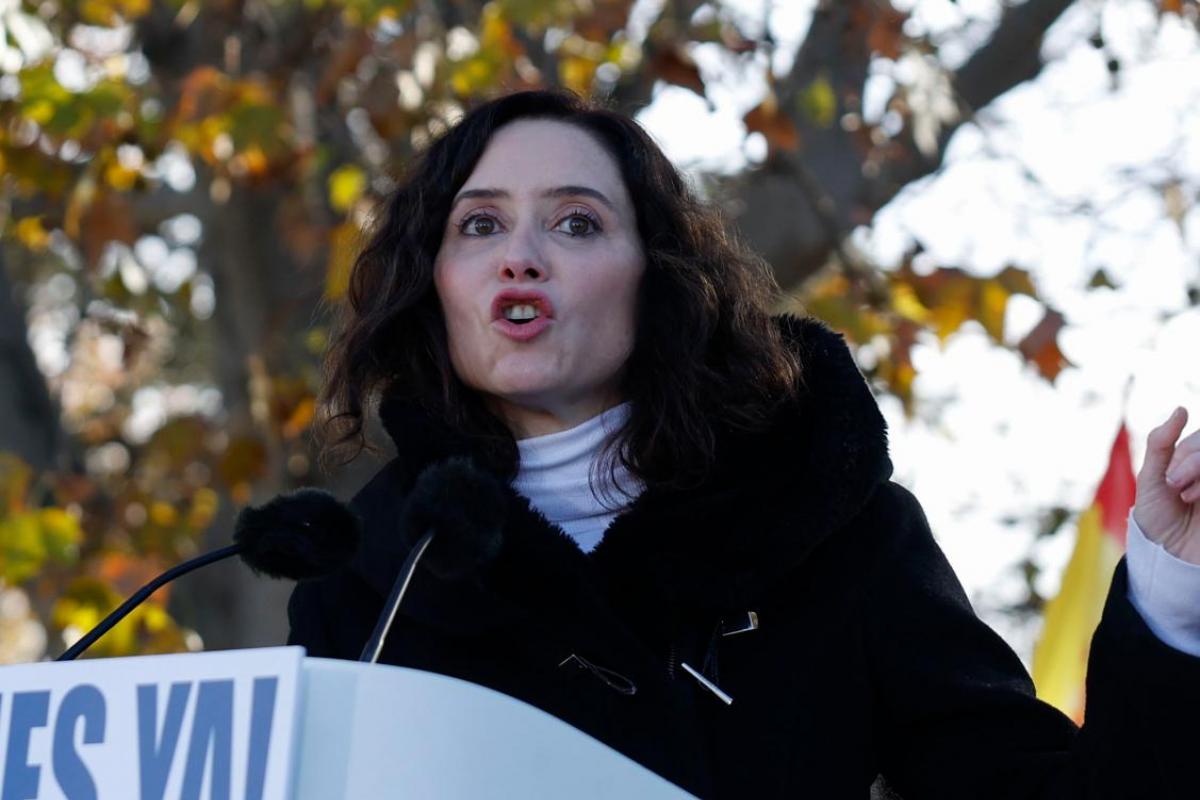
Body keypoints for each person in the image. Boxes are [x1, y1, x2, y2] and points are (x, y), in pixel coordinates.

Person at [280, 89, 1200, 798]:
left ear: (659, 279)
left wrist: (1171, 587)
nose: (520, 256)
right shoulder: (369, 584)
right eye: (479, 224)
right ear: (434, 282)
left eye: (575, 222)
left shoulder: (833, 530)